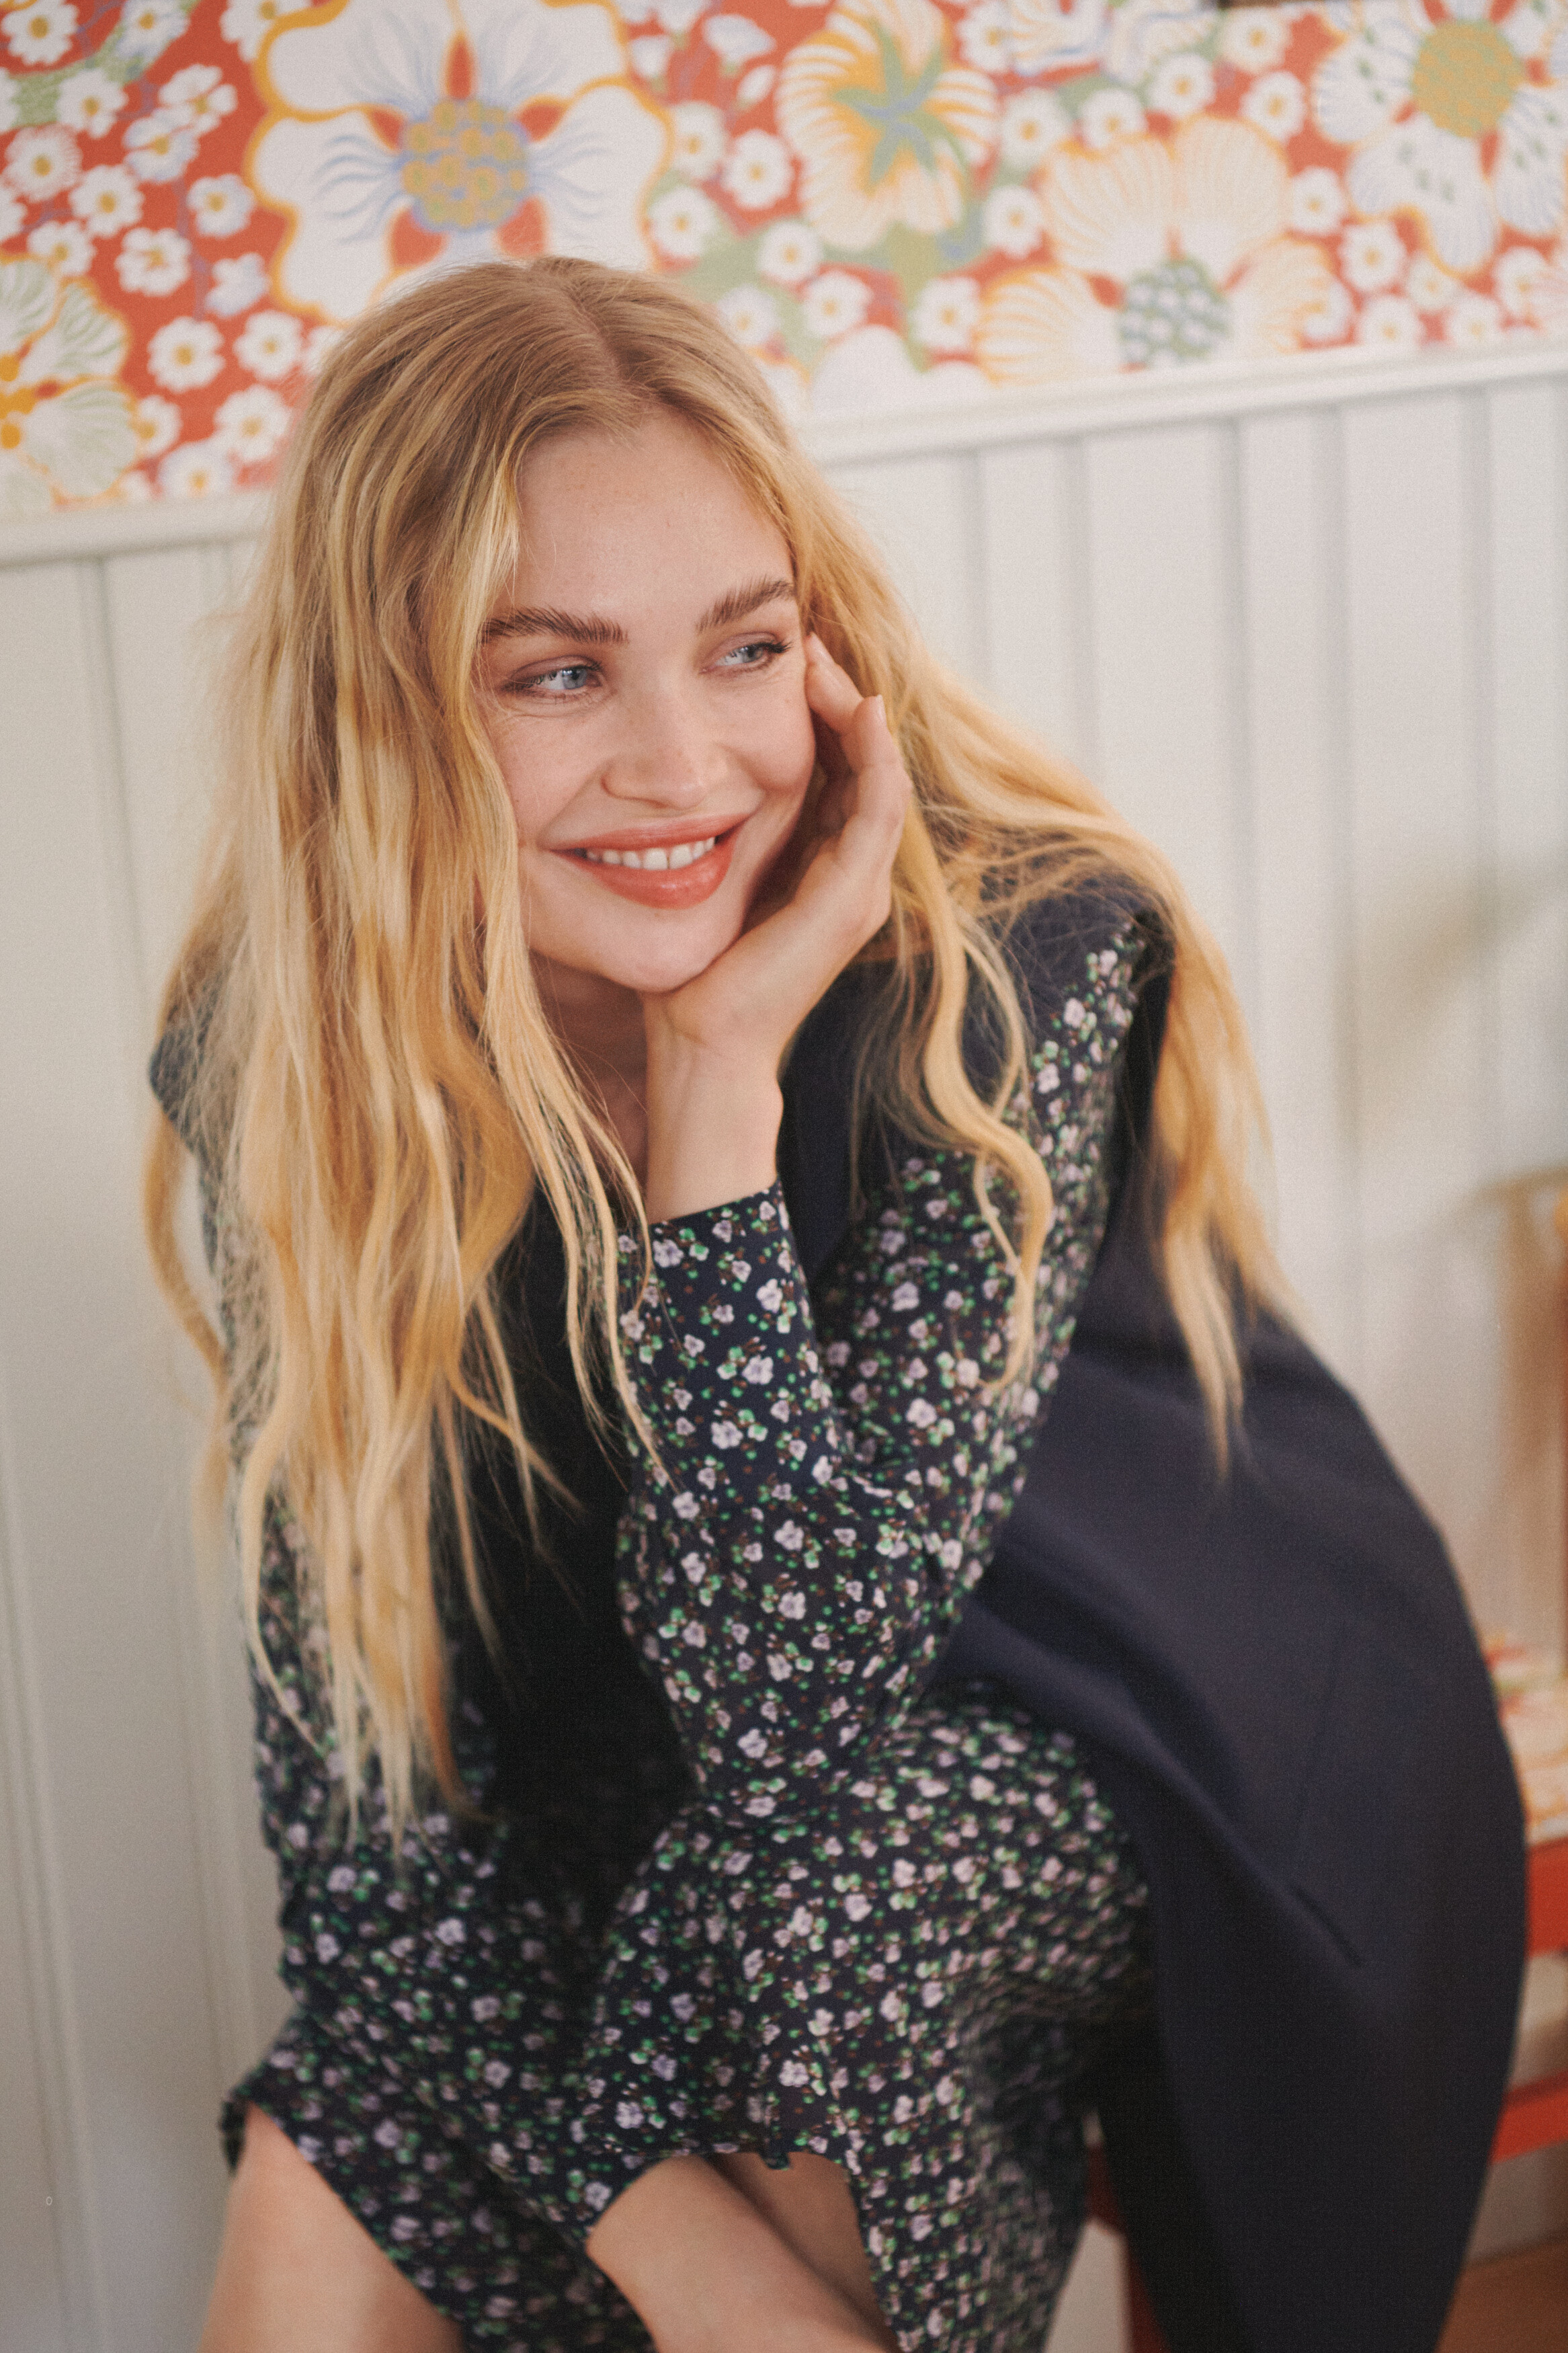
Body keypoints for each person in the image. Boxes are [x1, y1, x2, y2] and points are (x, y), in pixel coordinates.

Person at [145, 257, 1522, 2353]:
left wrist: (716, 1100)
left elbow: (795, 1708)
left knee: (786, 1919)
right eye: (558, 673)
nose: (684, 761)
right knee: (337, 2129)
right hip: (676, 1730)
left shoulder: (1019, 958)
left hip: (1155, 1684)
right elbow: (364, 1829)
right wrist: (671, 2247)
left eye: (745, 646)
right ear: (383, 708)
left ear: (828, 654)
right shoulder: (294, 1059)